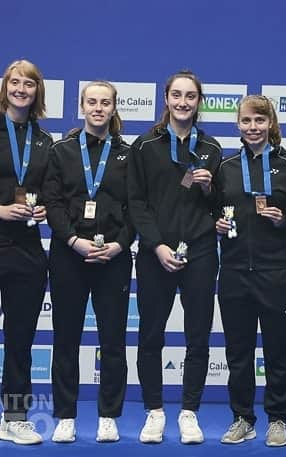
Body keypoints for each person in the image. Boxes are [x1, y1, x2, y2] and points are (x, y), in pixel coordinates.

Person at [128, 70, 221, 444]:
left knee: (198, 336)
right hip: (156, 253)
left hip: (199, 251)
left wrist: (209, 187)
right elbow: (136, 203)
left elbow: (219, 207)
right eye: (177, 95)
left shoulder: (211, 148)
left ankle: (189, 413)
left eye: (191, 96)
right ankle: (153, 412)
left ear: (199, 102)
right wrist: (157, 245)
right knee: (151, 335)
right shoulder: (144, 145)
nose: (183, 102)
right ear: (165, 98)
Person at [43, 80, 135, 443]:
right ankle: (65, 415)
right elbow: (52, 202)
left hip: (113, 257)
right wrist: (72, 240)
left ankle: (108, 415)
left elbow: (136, 207)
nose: (98, 108)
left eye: (105, 103)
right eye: (92, 102)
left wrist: (119, 245)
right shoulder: (62, 151)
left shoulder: (128, 154)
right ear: (82, 106)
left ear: (114, 108)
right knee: (66, 338)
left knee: (112, 340)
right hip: (70, 255)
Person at [214, 95, 286, 447]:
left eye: (260, 121)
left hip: (274, 271)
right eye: (247, 121)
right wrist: (214, 224)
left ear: (270, 124)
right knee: (238, 352)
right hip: (234, 271)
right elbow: (209, 210)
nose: (253, 128)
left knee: (278, 350)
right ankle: (242, 417)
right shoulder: (226, 167)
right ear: (238, 125)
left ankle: (278, 419)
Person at [0, 59, 52, 445]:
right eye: (15, 82)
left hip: (27, 251)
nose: (21, 89)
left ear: (37, 91)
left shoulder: (43, 140)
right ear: (5, 87)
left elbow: (52, 192)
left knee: (20, 340)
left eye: (28, 84)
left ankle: (15, 416)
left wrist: (44, 207)